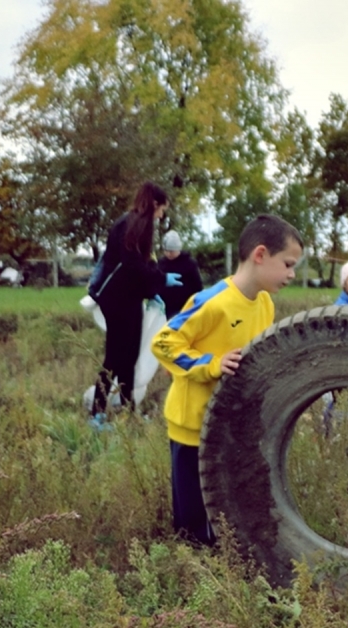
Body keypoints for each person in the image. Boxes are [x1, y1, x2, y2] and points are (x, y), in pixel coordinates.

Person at [151, 214, 304, 546]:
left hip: (230, 425)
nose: (293, 274)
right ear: (260, 254)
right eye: (288, 264)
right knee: (193, 521)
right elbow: (163, 343)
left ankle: (227, 561)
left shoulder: (264, 304)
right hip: (192, 426)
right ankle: (190, 571)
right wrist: (211, 364)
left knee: (227, 507)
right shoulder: (214, 302)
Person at [88, 181, 181, 422]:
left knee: (128, 358)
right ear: (154, 204)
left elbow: (143, 261)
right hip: (118, 300)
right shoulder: (137, 224)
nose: (161, 216)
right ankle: (97, 413)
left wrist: (153, 290)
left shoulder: (131, 222)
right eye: (162, 210)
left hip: (125, 299)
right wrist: (161, 279)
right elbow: (133, 265)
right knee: (115, 358)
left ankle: (129, 413)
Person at [157, 230, 203, 318]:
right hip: (165, 306)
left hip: (184, 306)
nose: (169, 254)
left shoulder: (189, 263)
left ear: (178, 249)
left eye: (172, 251)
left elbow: (197, 285)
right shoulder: (161, 263)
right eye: (166, 251)